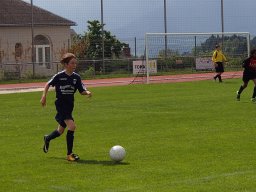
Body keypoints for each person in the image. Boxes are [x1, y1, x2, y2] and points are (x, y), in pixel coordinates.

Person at [40, 53, 92, 161]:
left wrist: (87, 92)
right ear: (66, 64)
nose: (74, 65)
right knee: (72, 126)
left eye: (75, 63)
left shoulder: (76, 77)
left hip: (69, 106)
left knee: (60, 130)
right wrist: (44, 96)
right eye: (72, 63)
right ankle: (69, 154)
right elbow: (47, 84)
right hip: (61, 105)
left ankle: (47, 138)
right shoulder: (59, 76)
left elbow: (81, 90)